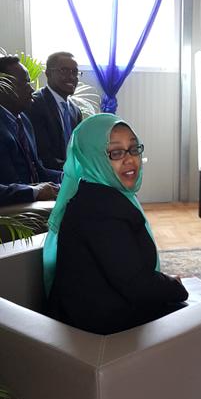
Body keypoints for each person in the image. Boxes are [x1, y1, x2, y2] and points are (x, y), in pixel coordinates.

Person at [44, 114, 188, 334]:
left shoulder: (91, 193)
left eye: (133, 149)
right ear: (93, 157)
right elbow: (137, 285)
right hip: (102, 333)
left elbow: (125, 270)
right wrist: (177, 288)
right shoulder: (102, 210)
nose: (130, 159)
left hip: (95, 313)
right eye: (116, 153)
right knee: (199, 317)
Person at [0, 54, 62, 204]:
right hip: (11, 212)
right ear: (3, 87)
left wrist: (68, 177)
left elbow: (38, 171)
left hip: (32, 203)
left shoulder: (24, 121)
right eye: (24, 83)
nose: (31, 89)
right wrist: (35, 192)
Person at [30, 51, 83, 169]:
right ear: (48, 73)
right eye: (64, 71)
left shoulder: (75, 110)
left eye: (75, 72)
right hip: (48, 178)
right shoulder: (36, 104)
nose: (71, 77)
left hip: (72, 175)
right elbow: (42, 155)